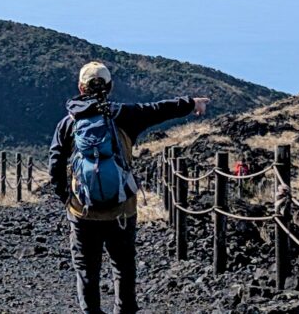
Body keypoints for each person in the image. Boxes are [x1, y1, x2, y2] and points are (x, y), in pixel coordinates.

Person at [49, 61, 210, 314]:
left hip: (83, 211)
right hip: (122, 209)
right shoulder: (124, 116)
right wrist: (192, 103)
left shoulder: (68, 123)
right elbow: (158, 110)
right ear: (110, 87)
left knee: (87, 269)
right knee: (123, 266)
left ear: (80, 88)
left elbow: (55, 166)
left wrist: (68, 200)